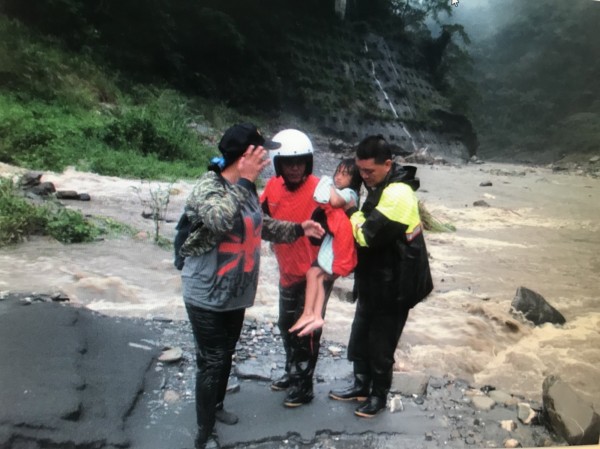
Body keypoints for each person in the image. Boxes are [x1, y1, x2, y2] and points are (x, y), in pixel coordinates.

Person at [179, 123, 324, 449]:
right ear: (245, 156)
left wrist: (301, 228)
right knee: (212, 360)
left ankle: (215, 407)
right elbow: (219, 220)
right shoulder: (208, 187)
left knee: (226, 354)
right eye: (260, 154)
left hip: (235, 294)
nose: (266, 161)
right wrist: (244, 180)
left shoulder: (247, 191)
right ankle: (203, 432)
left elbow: (262, 225)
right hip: (206, 292)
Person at [329, 135, 433, 418]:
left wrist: (350, 209)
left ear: (388, 164)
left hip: (397, 283)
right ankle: (361, 385)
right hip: (375, 278)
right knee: (360, 333)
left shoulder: (398, 194)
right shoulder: (379, 183)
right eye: (360, 171)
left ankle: (378, 395)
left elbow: (366, 236)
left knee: (381, 343)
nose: (364, 177)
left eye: (369, 172)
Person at [259, 129, 331, 407]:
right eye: (289, 163)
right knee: (285, 325)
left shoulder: (321, 190)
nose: (294, 167)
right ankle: (293, 373)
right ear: (278, 164)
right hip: (287, 272)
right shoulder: (272, 189)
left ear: (308, 162)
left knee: (306, 333)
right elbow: (259, 221)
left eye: (300, 161)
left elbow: (345, 215)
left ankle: (304, 386)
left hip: (315, 276)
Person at [289, 158, 362, 337]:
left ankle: (308, 313)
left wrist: (328, 183)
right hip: (334, 241)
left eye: (344, 175)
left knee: (312, 273)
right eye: (337, 172)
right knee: (320, 278)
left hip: (338, 244)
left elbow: (335, 201)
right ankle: (316, 315)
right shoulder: (345, 190)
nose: (338, 177)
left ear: (354, 180)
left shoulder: (350, 194)